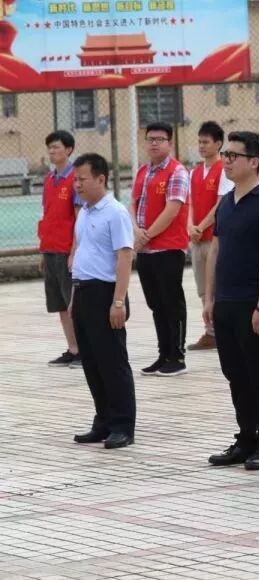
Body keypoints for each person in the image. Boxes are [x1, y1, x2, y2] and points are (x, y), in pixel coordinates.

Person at [203, 132, 259, 471]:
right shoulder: (226, 202)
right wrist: (210, 299)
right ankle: (246, 438)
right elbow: (215, 250)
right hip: (226, 302)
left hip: (254, 304)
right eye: (226, 154)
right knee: (235, 373)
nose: (227, 160)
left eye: (234, 155)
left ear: (254, 162)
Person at [71, 153, 136, 450]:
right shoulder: (84, 212)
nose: (77, 184)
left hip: (106, 293)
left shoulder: (115, 212)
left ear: (101, 179)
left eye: (82, 179)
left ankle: (122, 425)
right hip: (83, 292)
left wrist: (118, 301)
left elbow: (124, 256)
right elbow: (82, 253)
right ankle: (104, 420)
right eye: (75, 179)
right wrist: (74, 297)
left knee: (112, 362)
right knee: (92, 362)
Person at [130, 122, 190, 377]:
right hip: (146, 250)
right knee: (156, 304)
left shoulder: (177, 172)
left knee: (171, 302)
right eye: (150, 139)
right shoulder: (143, 171)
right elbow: (133, 205)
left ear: (170, 143)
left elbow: (172, 210)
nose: (154, 143)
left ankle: (177, 355)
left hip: (168, 248)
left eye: (160, 139)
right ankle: (163, 353)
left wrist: (146, 235)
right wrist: (136, 231)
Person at [187, 121, 235, 351]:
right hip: (197, 239)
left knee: (216, 286)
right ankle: (210, 330)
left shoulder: (223, 170)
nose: (201, 146)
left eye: (206, 142)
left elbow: (220, 204)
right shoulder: (195, 172)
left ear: (218, 144)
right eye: (199, 141)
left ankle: (221, 330)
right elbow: (190, 204)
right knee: (202, 287)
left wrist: (201, 226)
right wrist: (190, 226)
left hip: (215, 238)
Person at [40, 130, 82, 368]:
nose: (52, 151)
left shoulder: (75, 178)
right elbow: (46, 214)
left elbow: (79, 218)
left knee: (73, 303)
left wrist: (74, 251)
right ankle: (73, 349)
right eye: (50, 147)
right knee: (60, 305)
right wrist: (43, 250)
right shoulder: (49, 179)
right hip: (50, 248)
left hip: (67, 250)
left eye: (56, 147)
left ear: (68, 149)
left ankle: (84, 350)